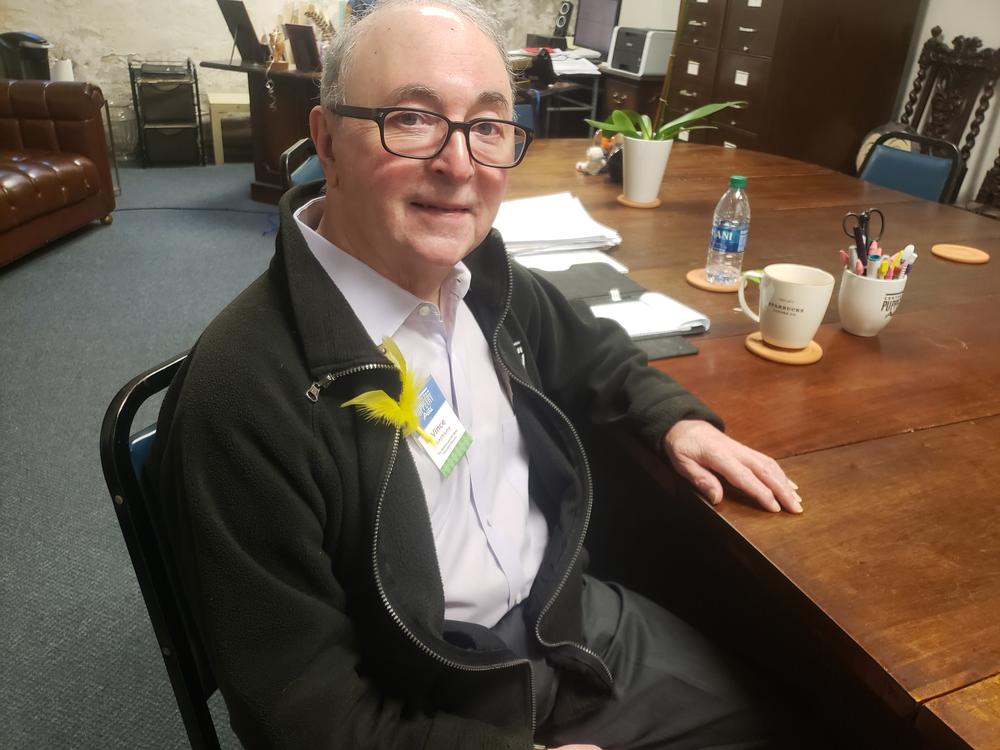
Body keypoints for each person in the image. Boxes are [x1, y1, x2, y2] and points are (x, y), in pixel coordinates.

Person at [150, 1, 803, 748]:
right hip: (431, 698)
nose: (460, 165)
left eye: (488, 126)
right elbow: (306, 712)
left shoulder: (482, 277)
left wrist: (672, 416)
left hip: (564, 619)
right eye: (413, 119)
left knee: (791, 716)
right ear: (326, 140)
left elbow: (592, 347)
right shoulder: (244, 395)